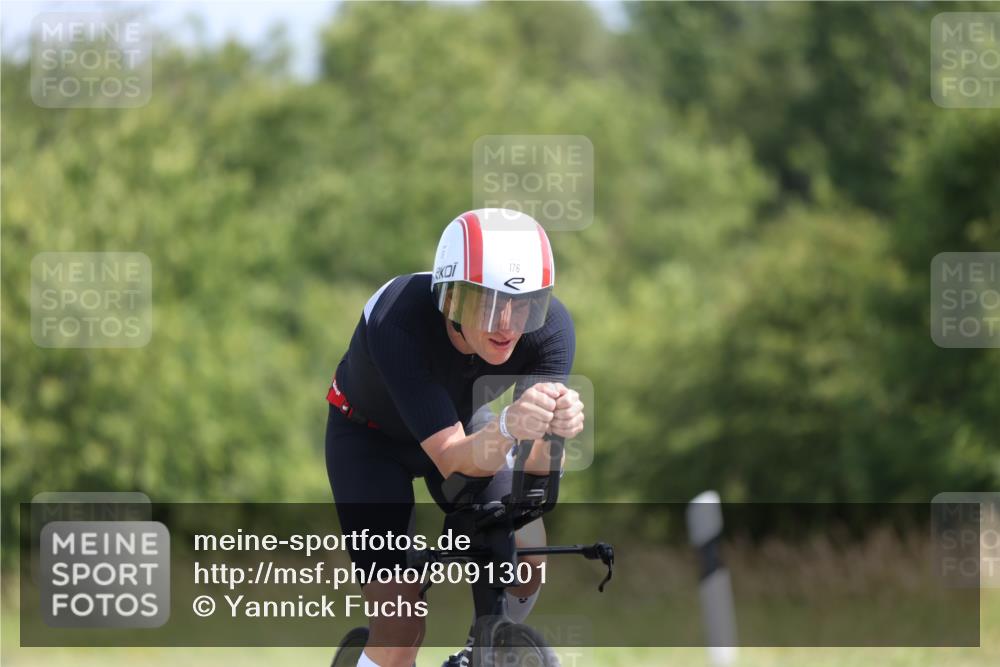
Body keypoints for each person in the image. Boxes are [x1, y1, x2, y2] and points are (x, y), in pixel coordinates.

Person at [325, 208, 585, 667]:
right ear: (453, 298)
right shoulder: (398, 317)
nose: (508, 323)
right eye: (490, 303)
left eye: (524, 303)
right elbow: (450, 459)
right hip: (369, 440)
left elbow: (533, 478)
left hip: (463, 425)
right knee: (401, 625)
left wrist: (554, 433)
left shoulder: (550, 331)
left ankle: (478, 653)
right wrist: (507, 425)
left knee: (526, 563)